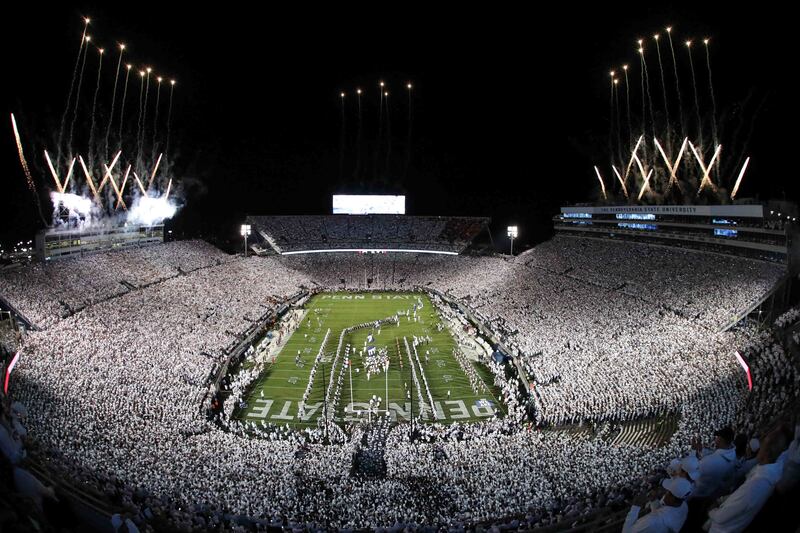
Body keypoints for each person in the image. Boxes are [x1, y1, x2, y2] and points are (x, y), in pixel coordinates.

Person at [705, 431, 788, 533]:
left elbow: (722, 517)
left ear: (767, 452)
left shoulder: (758, 484)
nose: (759, 449)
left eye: (762, 446)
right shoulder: (765, 472)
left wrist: (711, 511)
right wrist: (721, 500)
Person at [622, 477, 691, 533]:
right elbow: (661, 512)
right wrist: (654, 501)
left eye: (667, 491)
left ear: (672, 498)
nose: (664, 493)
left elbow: (626, 531)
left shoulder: (653, 521)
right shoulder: (684, 506)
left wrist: (636, 506)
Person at [691, 427, 737, 500]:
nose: (715, 439)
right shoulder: (732, 455)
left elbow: (692, 470)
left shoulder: (710, 462)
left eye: (717, 437)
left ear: (720, 440)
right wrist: (700, 449)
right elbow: (714, 453)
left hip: (697, 494)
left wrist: (693, 451)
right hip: (712, 492)